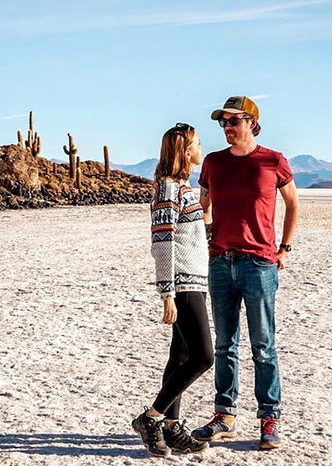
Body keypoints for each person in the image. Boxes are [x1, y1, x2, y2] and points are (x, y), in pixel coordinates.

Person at [192, 96, 299, 451]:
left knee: (264, 346)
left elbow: (293, 204)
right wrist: (207, 233)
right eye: (222, 122)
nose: (226, 127)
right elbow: (202, 205)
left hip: (259, 265)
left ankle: (269, 419)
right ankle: (225, 417)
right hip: (221, 262)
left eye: (233, 121)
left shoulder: (273, 161)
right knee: (225, 345)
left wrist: (283, 249)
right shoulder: (213, 162)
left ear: (251, 122)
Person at [132, 123, 214, 457]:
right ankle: (151, 417)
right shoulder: (168, 189)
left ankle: (171, 427)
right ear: (184, 151)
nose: (200, 148)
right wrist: (167, 293)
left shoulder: (183, 189)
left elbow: (189, 235)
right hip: (182, 283)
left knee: (179, 355)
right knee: (203, 356)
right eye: (196, 143)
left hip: (196, 280)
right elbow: (163, 244)